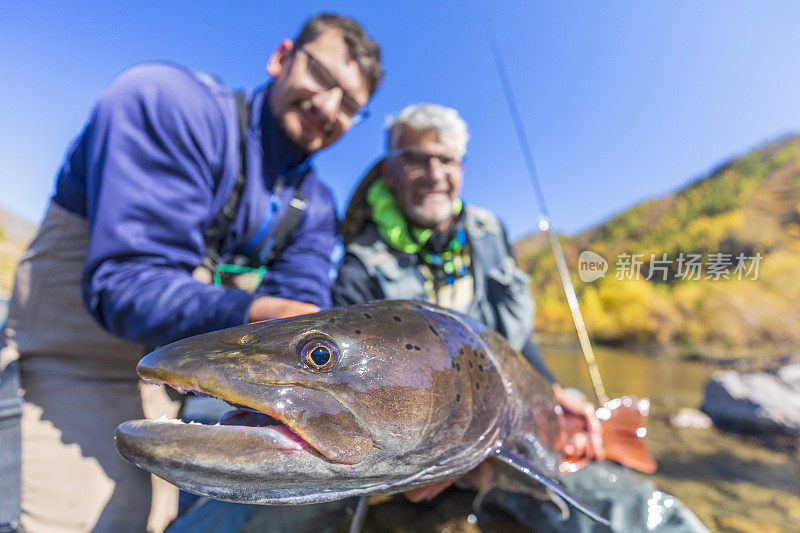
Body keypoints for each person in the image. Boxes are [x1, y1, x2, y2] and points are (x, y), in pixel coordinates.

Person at [0, 13, 383, 533]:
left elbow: (300, 316)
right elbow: (126, 283)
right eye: (321, 76)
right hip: (70, 358)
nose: (328, 107)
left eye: (351, 105)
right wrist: (254, 312)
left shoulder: (315, 206)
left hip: (171, 381)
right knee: (96, 521)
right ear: (281, 57)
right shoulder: (166, 103)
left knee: (164, 520)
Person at [332, 104, 709, 532]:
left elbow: (516, 338)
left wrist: (554, 391)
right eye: (417, 159)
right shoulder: (358, 267)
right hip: (430, 461)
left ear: (461, 168)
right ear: (391, 169)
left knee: (652, 516)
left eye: (447, 160)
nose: (435, 173)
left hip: (512, 437)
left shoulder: (488, 234)